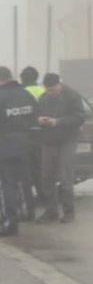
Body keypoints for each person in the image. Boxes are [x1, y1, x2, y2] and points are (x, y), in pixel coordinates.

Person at [36, 74, 85, 223]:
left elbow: (79, 117)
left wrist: (58, 122)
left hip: (67, 141)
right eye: (49, 90)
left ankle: (69, 212)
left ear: (60, 85)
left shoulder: (72, 96)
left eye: (54, 89)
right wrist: (39, 119)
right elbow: (36, 114)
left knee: (65, 177)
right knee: (46, 177)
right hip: (49, 141)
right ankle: (51, 211)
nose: (51, 93)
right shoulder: (43, 98)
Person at [0, 67, 38, 236]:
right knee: (25, 180)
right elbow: (36, 116)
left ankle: (11, 222)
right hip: (27, 143)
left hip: (6, 144)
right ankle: (29, 212)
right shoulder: (25, 94)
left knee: (8, 184)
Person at [19, 66, 45, 204]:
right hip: (43, 135)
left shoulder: (20, 93)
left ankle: (27, 201)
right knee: (40, 168)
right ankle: (43, 197)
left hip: (24, 136)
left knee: (25, 170)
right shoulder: (43, 91)